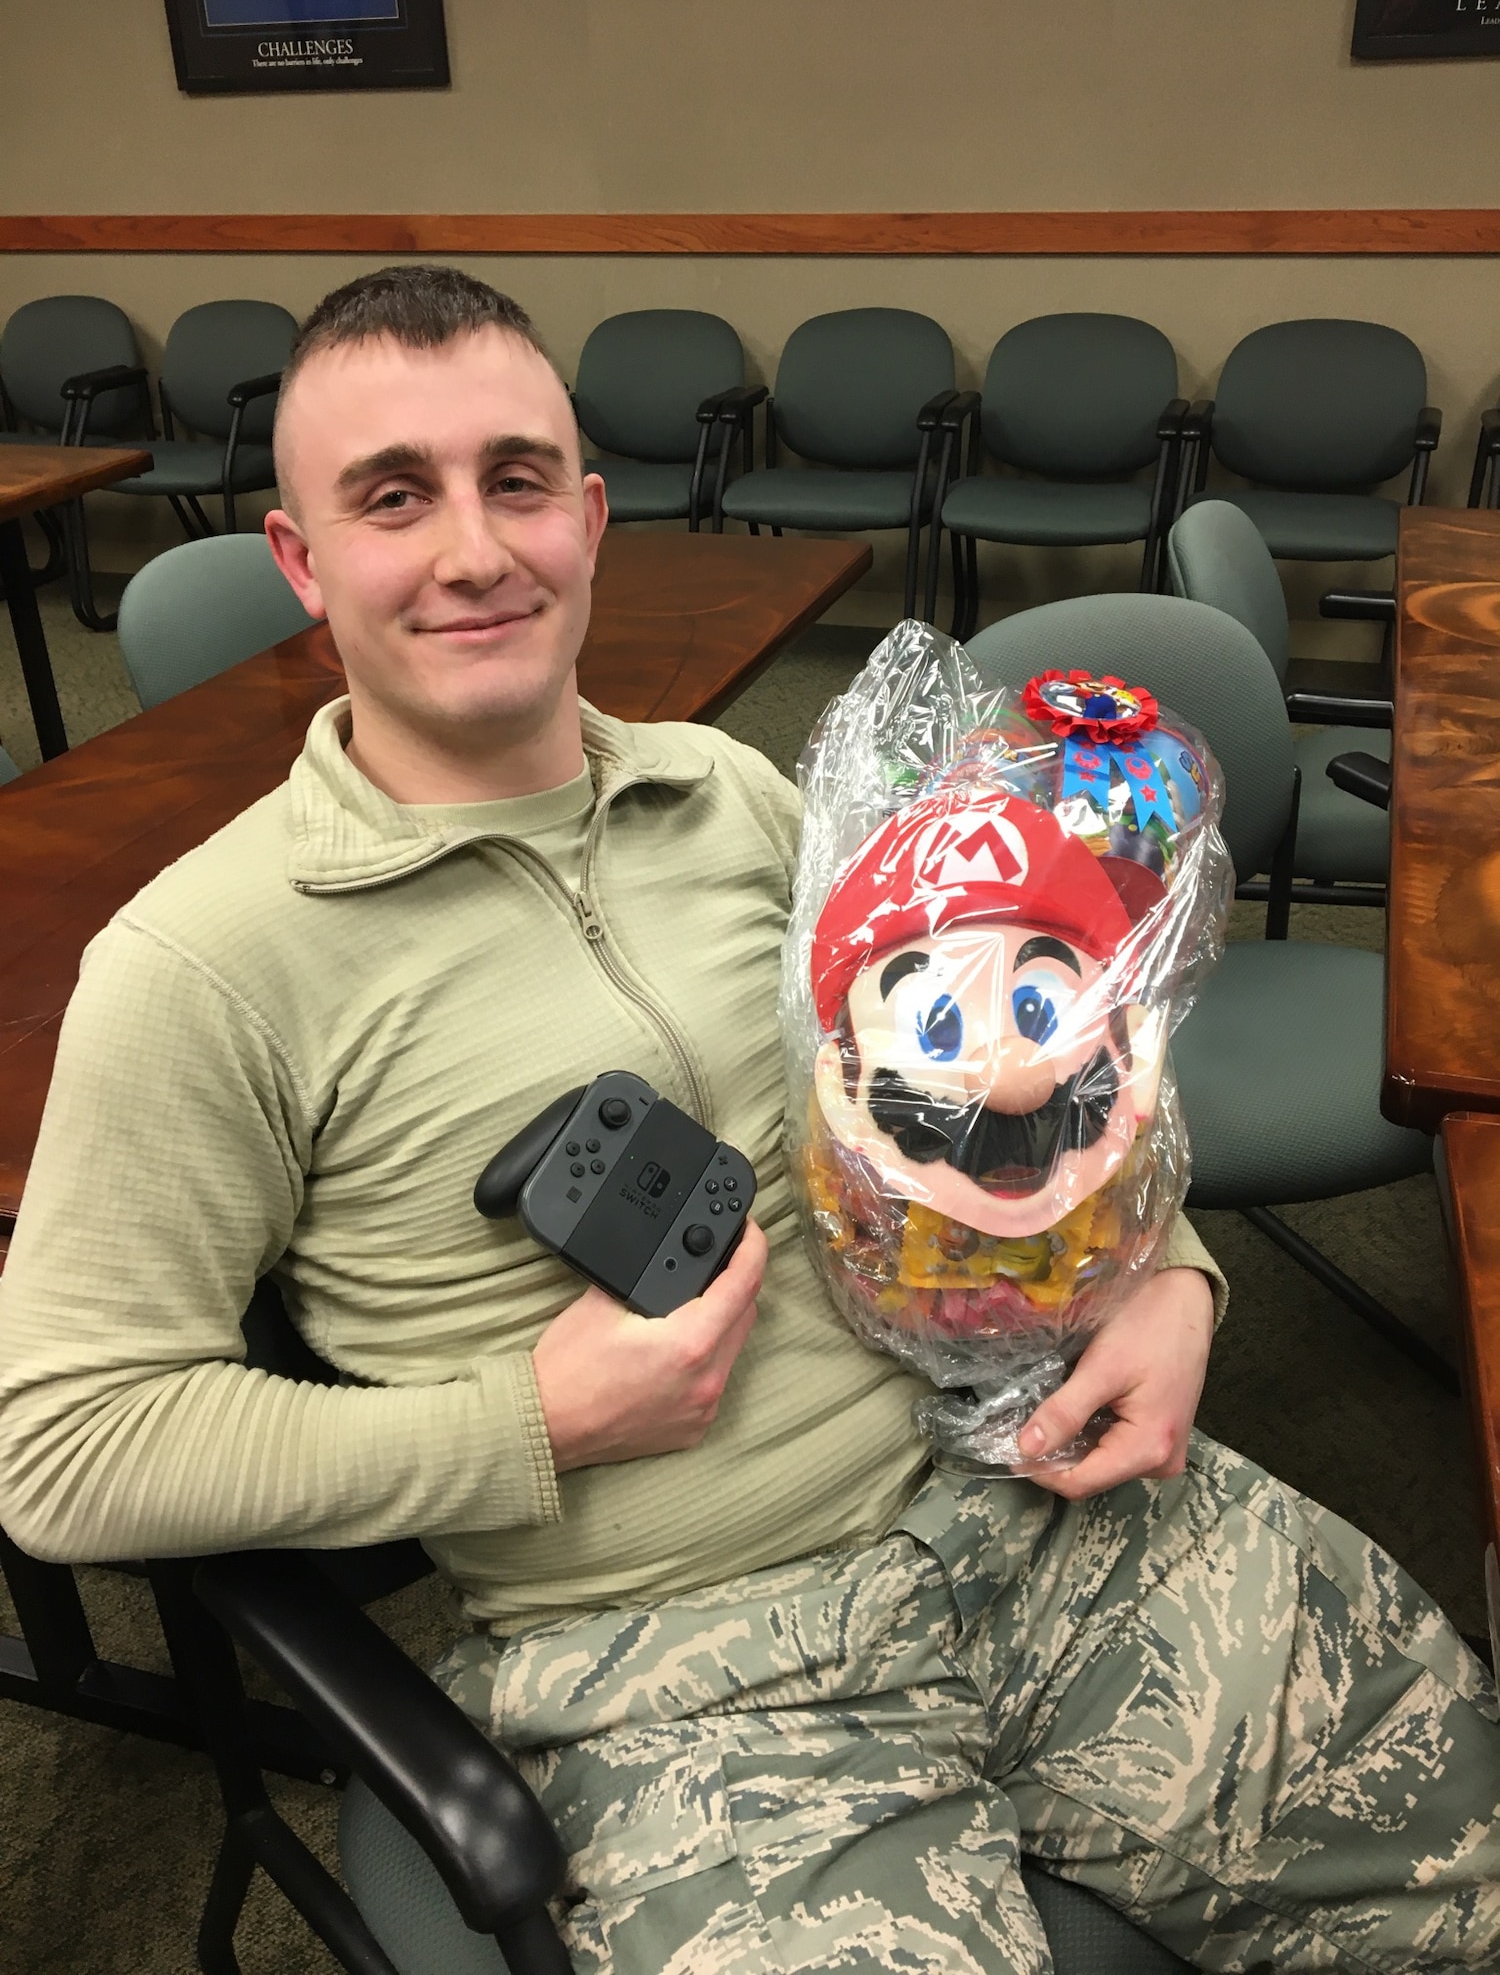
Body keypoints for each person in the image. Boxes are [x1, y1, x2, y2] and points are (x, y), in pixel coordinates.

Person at [0, 266, 1493, 1975]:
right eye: (394, 496)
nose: (475, 549)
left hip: (1026, 1484)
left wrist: (1174, 1278)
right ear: (301, 560)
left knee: (1460, 1865)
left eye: (517, 480)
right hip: (687, 1670)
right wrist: (529, 1418)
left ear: (592, 514)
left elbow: (991, 1097)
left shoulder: (736, 792)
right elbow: (61, 1449)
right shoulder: (200, 967)